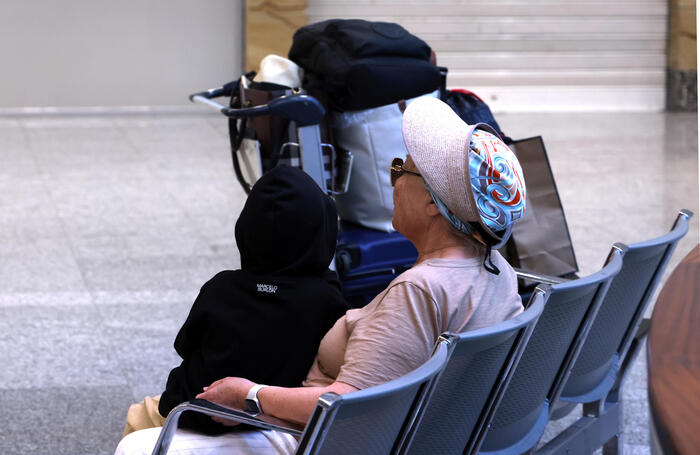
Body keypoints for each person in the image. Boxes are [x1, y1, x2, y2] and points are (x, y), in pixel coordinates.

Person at [115, 96, 527, 455]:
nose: (395, 178)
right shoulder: (495, 270)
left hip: (321, 438)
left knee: (136, 446)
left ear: (436, 204)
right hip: (424, 431)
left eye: (403, 169)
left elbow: (350, 402)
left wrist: (250, 395)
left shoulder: (419, 290)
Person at [121, 165, 348, 437]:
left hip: (196, 411)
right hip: (274, 418)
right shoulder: (327, 298)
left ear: (247, 229)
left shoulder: (221, 288)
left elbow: (185, 345)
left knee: (138, 417)